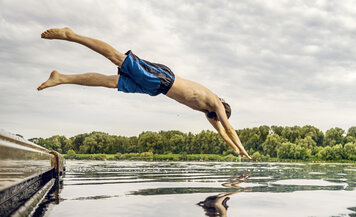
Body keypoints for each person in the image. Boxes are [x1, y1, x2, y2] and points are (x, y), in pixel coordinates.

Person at [37, 27, 251, 159]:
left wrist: (236, 150)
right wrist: (243, 147)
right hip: (162, 78)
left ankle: (62, 78)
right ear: (222, 109)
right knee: (117, 58)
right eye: (217, 117)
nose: (215, 120)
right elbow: (229, 129)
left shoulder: (208, 111)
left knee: (111, 83)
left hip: (156, 89)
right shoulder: (215, 103)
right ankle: (70, 35)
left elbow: (222, 133)